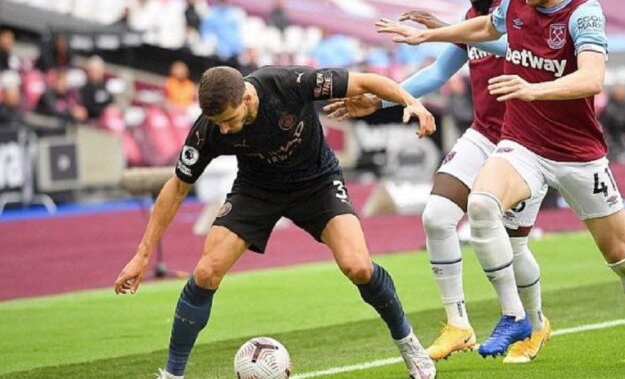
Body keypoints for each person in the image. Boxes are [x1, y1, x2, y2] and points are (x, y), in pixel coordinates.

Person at [376, 0, 625, 367]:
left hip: (578, 154)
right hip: (522, 144)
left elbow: (592, 78)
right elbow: (488, 28)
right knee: (482, 205)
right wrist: (428, 36)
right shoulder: (515, 3)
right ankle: (515, 316)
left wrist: (532, 89)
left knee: (624, 259)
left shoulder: (584, 13)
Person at [114, 65, 438, 379]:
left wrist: (411, 102)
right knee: (206, 271)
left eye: (229, 120)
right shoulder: (209, 129)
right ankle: (172, 374)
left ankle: (408, 343)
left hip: (318, 183)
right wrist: (142, 255)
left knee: (359, 267)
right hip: (257, 190)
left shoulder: (289, 83)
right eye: (218, 123)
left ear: (247, 99)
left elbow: (366, 81)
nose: (223, 130)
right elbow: (177, 188)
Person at [324, 0, 551, 364]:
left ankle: (535, 324)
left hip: (527, 142)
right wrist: (382, 99)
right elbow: (436, 73)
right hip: (485, 133)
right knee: (436, 216)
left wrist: (446, 31)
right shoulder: (471, 17)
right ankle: (458, 325)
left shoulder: (524, 5)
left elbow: (514, 45)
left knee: (514, 245)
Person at [599, 84, 625, 162]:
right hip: (611, 126)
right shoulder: (609, 104)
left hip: (623, 125)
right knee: (616, 122)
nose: (621, 95)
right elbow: (606, 116)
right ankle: (615, 144)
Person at [79, 56, 113, 121]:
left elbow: (110, 102)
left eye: (97, 70)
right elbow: (87, 108)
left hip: (106, 118)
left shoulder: (106, 87)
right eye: (92, 70)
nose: (94, 73)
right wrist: (103, 111)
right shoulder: (86, 88)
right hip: (92, 120)